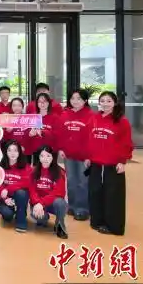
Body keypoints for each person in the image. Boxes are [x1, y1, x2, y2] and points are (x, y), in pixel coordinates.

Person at [87, 91, 133, 236]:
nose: (105, 104)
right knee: (95, 192)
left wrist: (122, 161)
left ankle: (113, 226)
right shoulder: (94, 118)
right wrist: (88, 157)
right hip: (96, 163)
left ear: (115, 103)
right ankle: (97, 221)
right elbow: (89, 139)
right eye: (102, 101)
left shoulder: (122, 121)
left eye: (109, 101)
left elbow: (126, 143)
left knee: (113, 195)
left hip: (113, 164)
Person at [57, 89, 93, 221]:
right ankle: (72, 206)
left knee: (83, 182)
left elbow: (92, 137)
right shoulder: (65, 114)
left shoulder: (91, 116)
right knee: (71, 180)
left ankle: (82, 209)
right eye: (73, 98)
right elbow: (60, 133)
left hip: (84, 156)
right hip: (68, 155)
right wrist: (60, 148)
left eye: (79, 99)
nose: (75, 101)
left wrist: (90, 155)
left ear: (85, 100)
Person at [29, 146, 68, 239]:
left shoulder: (59, 171)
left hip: (52, 204)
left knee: (60, 203)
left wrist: (41, 203)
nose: (45, 159)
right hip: (38, 204)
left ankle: (59, 225)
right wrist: (37, 203)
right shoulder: (33, 171)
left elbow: (59, 193)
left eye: (48, 156)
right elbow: (32, 191)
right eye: (42, 156)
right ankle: (44, 218)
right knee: (41, 220)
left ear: (53, 157)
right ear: (39, 157)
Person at [0, 140, 31, 232]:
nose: (12, 153)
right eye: (9, 150)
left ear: (19, 152)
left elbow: (27, 182)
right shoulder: (0, 166)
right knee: (7, 215)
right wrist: (5, 198)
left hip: (18, 195)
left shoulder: (26, 167)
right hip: (5, 198)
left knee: (22, 193)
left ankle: (21, 218)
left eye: (15, 150)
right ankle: (11, 210)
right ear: (5, 152)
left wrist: (8, 189)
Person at [25, 93, 59, 164]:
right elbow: (26, 133)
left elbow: (57, 135)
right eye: (40, 102)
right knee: (37, 169)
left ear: (49, 103)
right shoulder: (33, 116)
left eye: (45, 101)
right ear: (37, 103)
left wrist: (43, 132)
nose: (42, 104)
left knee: (50, 170)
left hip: (50, 151)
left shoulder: (55, 117)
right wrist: (30, 134)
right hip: (36, 150)